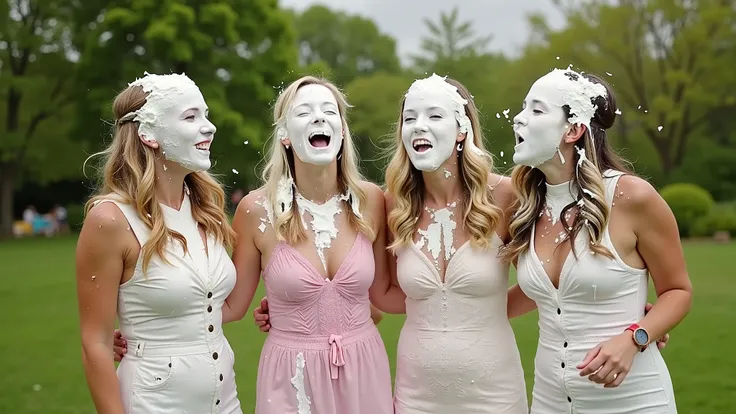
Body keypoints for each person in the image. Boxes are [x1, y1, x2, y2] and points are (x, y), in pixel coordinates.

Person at [502, 67, 692, 413]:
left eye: (537, 110)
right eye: (523, 107)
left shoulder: (631, 197)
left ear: (573, 130)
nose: (518, 118)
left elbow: (678, 291)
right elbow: (539, 294)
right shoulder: (522, 205)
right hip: (549, 401)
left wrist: (636, 337)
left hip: (634, 400)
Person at [75, 72, 242, 414]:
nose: (208, 127)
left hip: (225, 403)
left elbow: (210, 307)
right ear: (149, 134)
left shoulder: (206, 209)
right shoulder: (109, 220)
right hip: (152, 404)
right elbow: (95, 343)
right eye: (190, 117)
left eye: (206, 115)